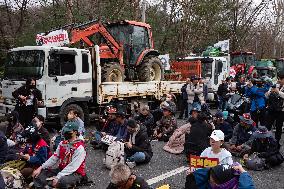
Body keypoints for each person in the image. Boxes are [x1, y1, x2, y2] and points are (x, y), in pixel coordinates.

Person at [33, 121, 86, 188]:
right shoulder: (62, 143)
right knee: (39, 174)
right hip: (61, 169)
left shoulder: (80, 148)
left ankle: (49, 184)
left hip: (75, 173)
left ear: (75, 132)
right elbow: (54, 158)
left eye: (68, 132)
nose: (65, 133)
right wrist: (41, 167)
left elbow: (73, 166)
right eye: (65, 131)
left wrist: (58, 176)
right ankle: (47, 185)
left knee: (62, 181)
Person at [185, 164, 255, 189]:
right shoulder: (211, 173)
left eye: (212, 182)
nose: (209, 182)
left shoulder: (236, 184)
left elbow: (247, 187)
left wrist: (243, 171)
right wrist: (194, 174)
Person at [265, 75, 284, 149]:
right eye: (279, 79)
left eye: (281, 79)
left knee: (278, 127)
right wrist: (270, 91)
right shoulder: (274, 86)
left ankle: (277, 142)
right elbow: (266, 96)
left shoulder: (279, 89)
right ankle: (266, 140)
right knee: (268, 126)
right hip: (271, 109)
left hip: (281, 111)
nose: (279, 80)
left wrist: (278, 92)